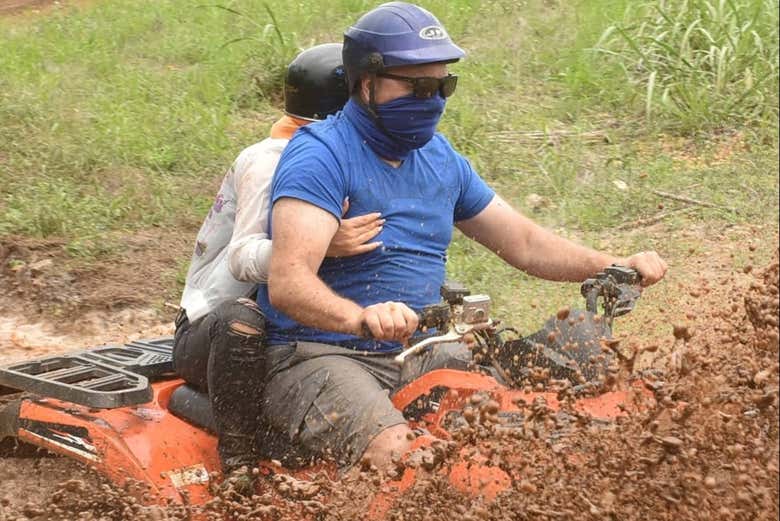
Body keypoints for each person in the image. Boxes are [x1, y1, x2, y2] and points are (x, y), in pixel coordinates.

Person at [255, 1, 669, 471]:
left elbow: (525, 244)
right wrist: (359, 317)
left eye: (443, 86)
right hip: (319, 355)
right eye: (419, 87)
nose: (433, 100)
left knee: (522, 430)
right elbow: (288, 282)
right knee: (403, 457)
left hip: (419, 350)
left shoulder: (439, 157)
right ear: (367, 84)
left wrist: (613, 264)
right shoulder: (320, 156)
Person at [172, 43, 383, 478]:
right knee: (241, 321)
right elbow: (241, 259)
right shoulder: (268, 162)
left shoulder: (356, 156)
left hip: (288, 325)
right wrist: (319, 247)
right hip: (214, 332)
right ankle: (239, 463)